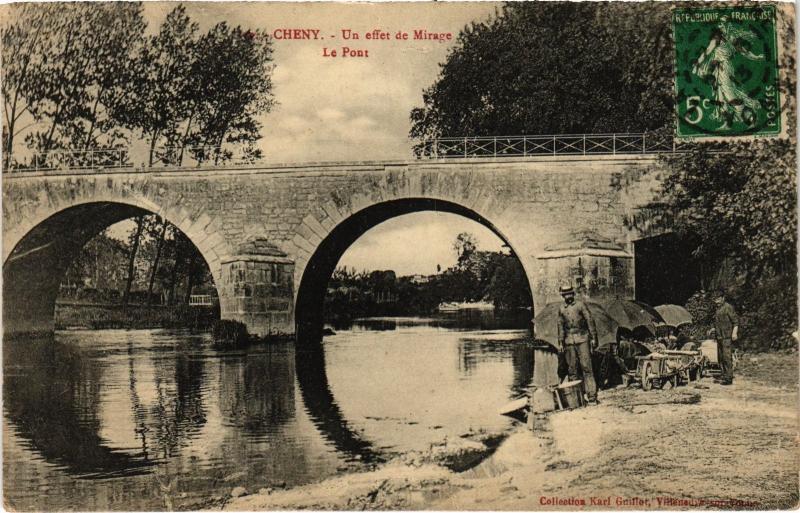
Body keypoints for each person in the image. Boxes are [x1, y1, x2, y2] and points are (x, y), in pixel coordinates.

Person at [558, 284, 599, 403]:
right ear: (563, 296)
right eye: (565, 294)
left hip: (582, 339)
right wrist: (560, 342)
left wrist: (593, 337)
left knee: (586, 367)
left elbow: (589, 320)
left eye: (569, 294)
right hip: (569, 341)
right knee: (572, 370)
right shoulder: (561, 309)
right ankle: (576, 398)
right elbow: (560, 326)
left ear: (573, 294)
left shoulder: (580, 305)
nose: (568, 296)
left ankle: (592, 396)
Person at [713, 288, 739, 385]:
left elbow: (735, 322)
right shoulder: (718, 309)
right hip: (719, 337)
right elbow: (718, 323)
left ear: (723, 298)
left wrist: (734, 333)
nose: (716, 301)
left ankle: (728, 378)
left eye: (718, 299)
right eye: (715, 299)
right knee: (720, 358)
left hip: (727, 337)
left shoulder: (728, 307)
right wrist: (713, 330)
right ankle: (723, 375)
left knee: (727, 357)